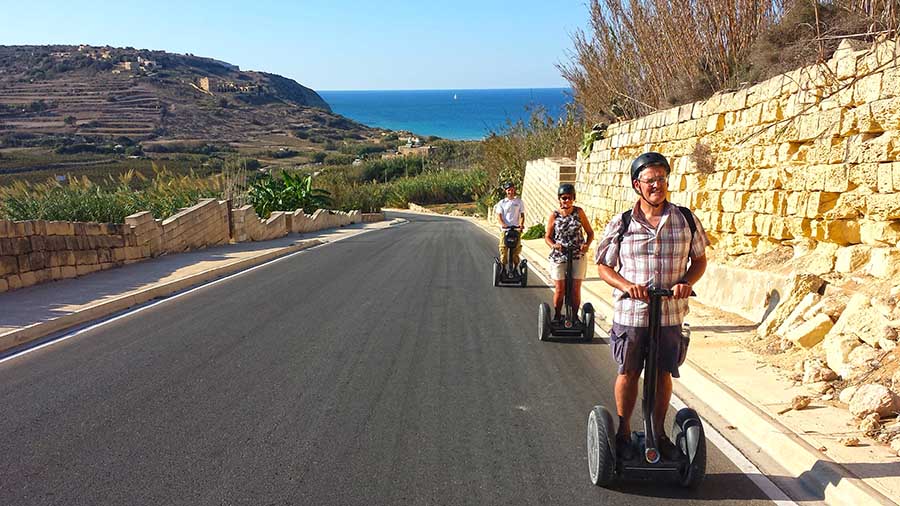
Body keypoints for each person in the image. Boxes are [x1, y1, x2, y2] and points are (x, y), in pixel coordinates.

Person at [593, 152, 709, 461]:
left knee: (661, 373)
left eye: (662, 179)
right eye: (651, 180)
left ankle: (657, 432)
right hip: (632, 313)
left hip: (670, 312)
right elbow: (604, 266)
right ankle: (623, 431)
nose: (658, 185)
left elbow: (699, 260)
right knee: (629, 371)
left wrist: (686, 281)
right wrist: (625, 285)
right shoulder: (622, 222)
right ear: (637, 185)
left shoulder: (685, 219)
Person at [544, 183, 594, 322]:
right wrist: (554, 245)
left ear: (573, 198)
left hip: (577, 254)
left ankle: (575, 317)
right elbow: (547, 236)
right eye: (564, 198)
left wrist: (586, 245)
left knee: (575, 289)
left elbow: (590, 233)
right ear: (559, 199)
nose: (566, 201)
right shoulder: (554, 215)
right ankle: (558, 315)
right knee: (560, 289)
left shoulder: (579, 212)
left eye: (569, 198)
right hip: (559, 255)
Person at [494, 181, 525, 268]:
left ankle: (515, 268)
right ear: (506, 191)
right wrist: (503, 224)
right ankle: (503, 267)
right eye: (508, 190)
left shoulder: (519, 202)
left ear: (514, 190)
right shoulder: (502, 203)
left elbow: (522, 215)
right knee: (503, 250)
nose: (510, 192)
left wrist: (521, 224)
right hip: (505, 230)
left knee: (516, 250)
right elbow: (499, 216)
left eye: (511, 190)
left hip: (516, 229)